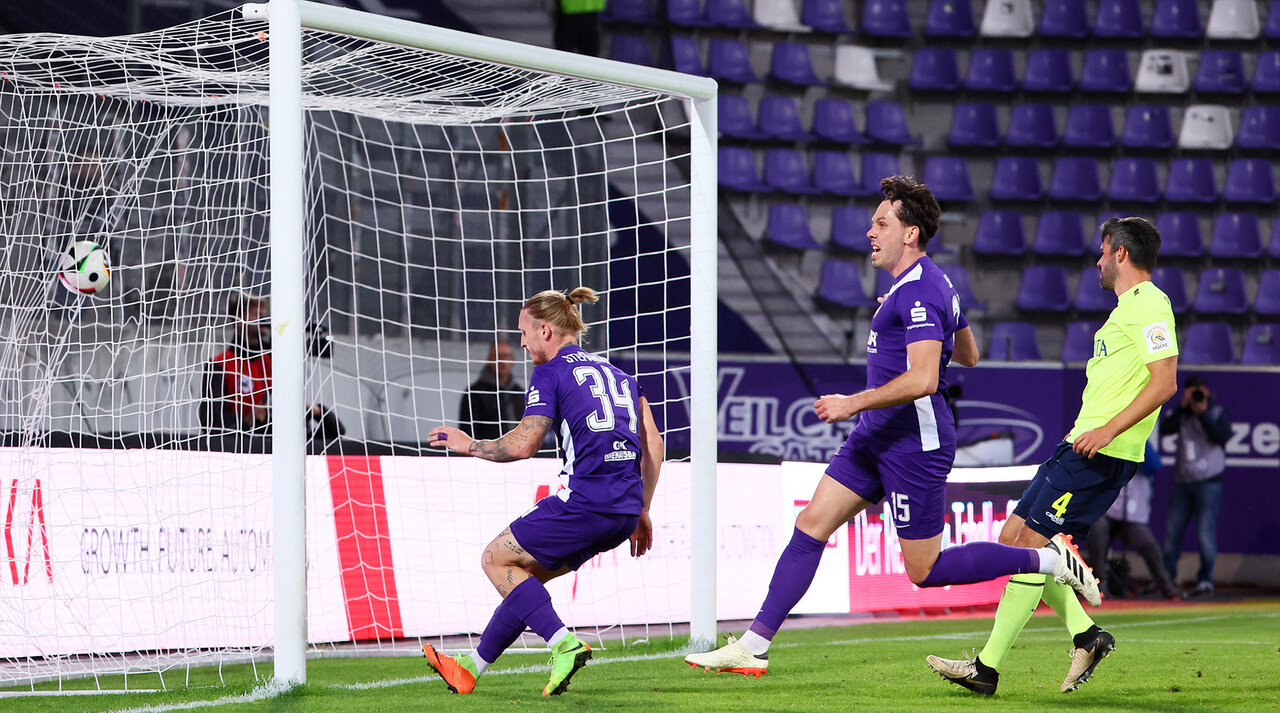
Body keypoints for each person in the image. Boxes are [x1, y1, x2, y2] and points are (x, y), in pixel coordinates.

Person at [684, 176, 1100, 679]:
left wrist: (852, 402)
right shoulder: (927, 285)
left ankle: (1049, 561)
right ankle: (754, 646)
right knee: (811, 524)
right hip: (876, 437)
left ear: (911, 233)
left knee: (924, 570)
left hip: (913, 445)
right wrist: (919, 324)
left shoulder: (919, 290)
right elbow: (969, 354)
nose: (870, 233)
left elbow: (925, 379)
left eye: (882, 223)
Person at [927, 216, 1179, 696]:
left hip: (1102, 451)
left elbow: (1165, 381)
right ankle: (1087, 635)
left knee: (1030, 545)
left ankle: (986, 667)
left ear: (1121, 253)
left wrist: (1107, 430)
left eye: (1103, 251)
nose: (1098, 261)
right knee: (1013, 540)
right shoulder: (1128, 309)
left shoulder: (1150, 303)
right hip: (1079, 444)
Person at [422, 287, 663, 697]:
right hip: (623, 511)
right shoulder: (620, 375)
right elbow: (654, 443)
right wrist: (642, 508)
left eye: (524, 332)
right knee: (524, 581)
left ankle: (563, 643)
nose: (521, 342)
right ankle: (470, 668)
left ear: (546, 331)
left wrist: (469, 445)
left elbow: (524, 444)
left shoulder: (551, 371)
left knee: (495, 559)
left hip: (585, 503)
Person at [200, 292, 344, 448]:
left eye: (265, 315)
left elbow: (338, 431)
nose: (264, 320)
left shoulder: (276, 360)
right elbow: (210, 424)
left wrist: (315, 410)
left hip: (277, 445)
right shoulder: (219, 365)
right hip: (240, 449)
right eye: (257, 315)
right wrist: (247, 420)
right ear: (239, 320)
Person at [1159, 374, 1231, 597]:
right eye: (1192, 390)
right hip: (1182, 482)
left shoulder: (1217, 410)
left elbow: (1221, 436)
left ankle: (1205, 580)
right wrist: (1183, 406)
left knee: (1205, 532)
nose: (1197, 394)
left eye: (1199, 389)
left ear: (1207, 390)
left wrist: (1202, 413)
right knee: (1173, 532)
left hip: (1208, 481)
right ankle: (1167, 579)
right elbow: (1165, 429)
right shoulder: (1182, 413)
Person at [1086, 441, 1181, 600]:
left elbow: (1153, 466)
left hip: (1133, 507)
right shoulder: (1109, 437)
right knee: (1097, 533)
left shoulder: (1141, 440)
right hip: (1107, 504)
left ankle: (1165, 585)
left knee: (1147, 544)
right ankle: (1099, 586)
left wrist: (1132, 447)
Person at [458, 340, 526, 442]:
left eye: (506, 356)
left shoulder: (519, 392)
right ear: (490, 359)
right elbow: (467, 433)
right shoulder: (474, 393)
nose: (502, 361)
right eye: (498, 356)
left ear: (513, 360)